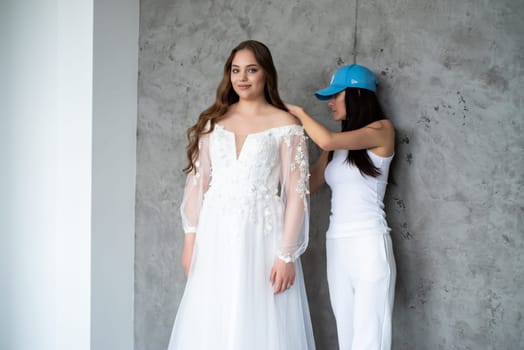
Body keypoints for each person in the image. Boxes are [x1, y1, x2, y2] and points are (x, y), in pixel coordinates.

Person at [167, 40, 315, 350]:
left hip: (262, 236)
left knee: (259, 320)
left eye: (251, 70)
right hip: (215, 233)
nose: (242, 78)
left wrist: (286, 254)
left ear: (266, 75)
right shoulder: (213, 122)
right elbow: (198, 184)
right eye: (236, 70)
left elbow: (297, 194)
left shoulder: (286, 125)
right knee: (213, 316)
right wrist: (190, 241)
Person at [286, 64, 396, 350]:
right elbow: (308, 185)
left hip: (369, 243)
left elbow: (326, 137)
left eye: (337, 95)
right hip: (337, 244)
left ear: (358, 94)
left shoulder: (382, 130)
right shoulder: (335, 148)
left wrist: (298, 113)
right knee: (346, 337)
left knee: (370, 338)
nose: (331, 103)